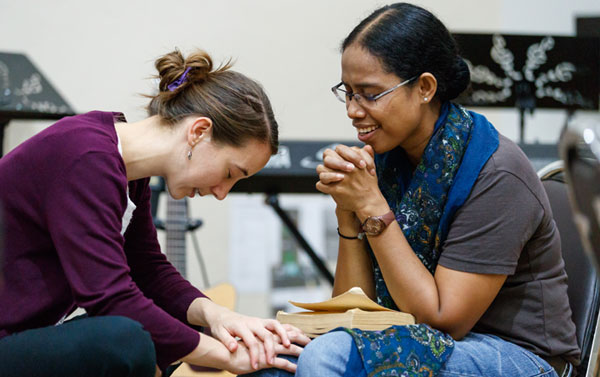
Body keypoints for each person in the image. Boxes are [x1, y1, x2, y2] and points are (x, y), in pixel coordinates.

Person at [249, 3, 580, 377]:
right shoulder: (390, 158)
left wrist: (371, 204)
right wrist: (348, 211)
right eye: (348, 92)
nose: (353, 110)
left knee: (329, 358)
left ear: (424, 88)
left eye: (369, 94)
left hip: (517, 355)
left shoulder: (498, 173)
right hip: (429, 335)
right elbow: (352, 310)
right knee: (271, 363)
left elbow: (442, 320)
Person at [0, 49, 310, 377]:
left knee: (168, 321)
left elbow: (149, 271)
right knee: (125, 339)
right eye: (231, 173)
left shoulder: (126, 170)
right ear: (199, 131)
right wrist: (225, 356)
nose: (221, 193)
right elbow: (110, 298)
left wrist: (220, 316)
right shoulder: (87, 158)